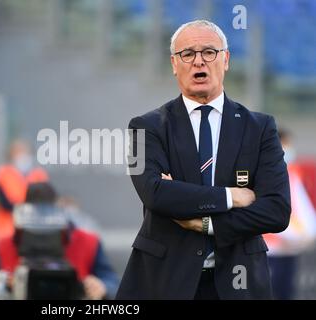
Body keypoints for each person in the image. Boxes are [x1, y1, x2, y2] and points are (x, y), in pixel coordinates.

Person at [116, 20, 291, 300]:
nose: (199, 61)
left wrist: (207, 224)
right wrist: (231, 196)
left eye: (209, 52)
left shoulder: (261, 128)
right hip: (164, 281)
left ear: (226, 60)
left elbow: (277, 211)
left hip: (238, 282)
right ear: (174, 64)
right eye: (188, 54)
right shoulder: (143, 127)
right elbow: (155, 193)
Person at [0, 182, 119, 300]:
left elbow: (113, 282)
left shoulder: (88, 243)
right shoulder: (6, 246)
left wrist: (102, 286)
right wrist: (1, 289)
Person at [264, 129, 316, 299]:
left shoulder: (291, 174)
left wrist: (307, 233)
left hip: (290, 249)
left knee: (286, 292)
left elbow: (302, 210)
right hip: (268, 251)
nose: (288, 149)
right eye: (284, 145)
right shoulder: (262, 175)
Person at [0, 139, 49, 246]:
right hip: (6, 233)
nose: (22, 156)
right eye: (18, 152)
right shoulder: (2, 174)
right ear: (11, 155)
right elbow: (4, 203)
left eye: (25, 152)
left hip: (33, 233)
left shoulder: (39, 175)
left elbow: (45, 201)